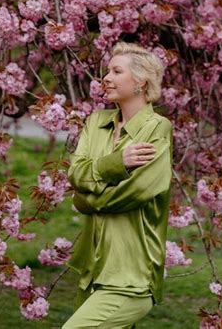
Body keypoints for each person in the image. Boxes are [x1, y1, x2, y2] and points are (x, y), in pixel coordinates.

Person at [62, 42, 173, 329]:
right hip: (93, 270)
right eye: (107, 71)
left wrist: (86, 200)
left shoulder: (157, 129)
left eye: (116, 71)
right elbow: (76, 172)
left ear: (140, 82)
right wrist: (116, 162)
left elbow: (136, 192)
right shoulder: (96, 122)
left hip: (131, 276)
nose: (106, 78)